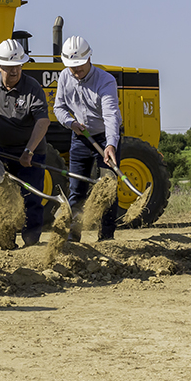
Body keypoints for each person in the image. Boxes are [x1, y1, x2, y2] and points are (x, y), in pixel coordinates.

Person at [52, 35, 122, 241]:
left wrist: (111, 144)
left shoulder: (106, 81)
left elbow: (111, 115)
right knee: (76, 189)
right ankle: (73, 237)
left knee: (108, 188)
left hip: (105, 137)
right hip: (80, 137)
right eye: (72, 66)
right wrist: (70, 123)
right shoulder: (65, 77)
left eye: (79, 65)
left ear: (89, 58)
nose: (76, 70)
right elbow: (59, 107)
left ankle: (106, 237)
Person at [0, 39, 50, 246]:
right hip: (0, 152)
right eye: (9, 66)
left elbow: (42, 121)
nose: (14, 71)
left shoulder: (32, 87)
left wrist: (29, 151)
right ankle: (7, 244)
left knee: (30, 198)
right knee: (2, 198)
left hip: (29, 152)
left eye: (18, 66)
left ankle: (31, 243)